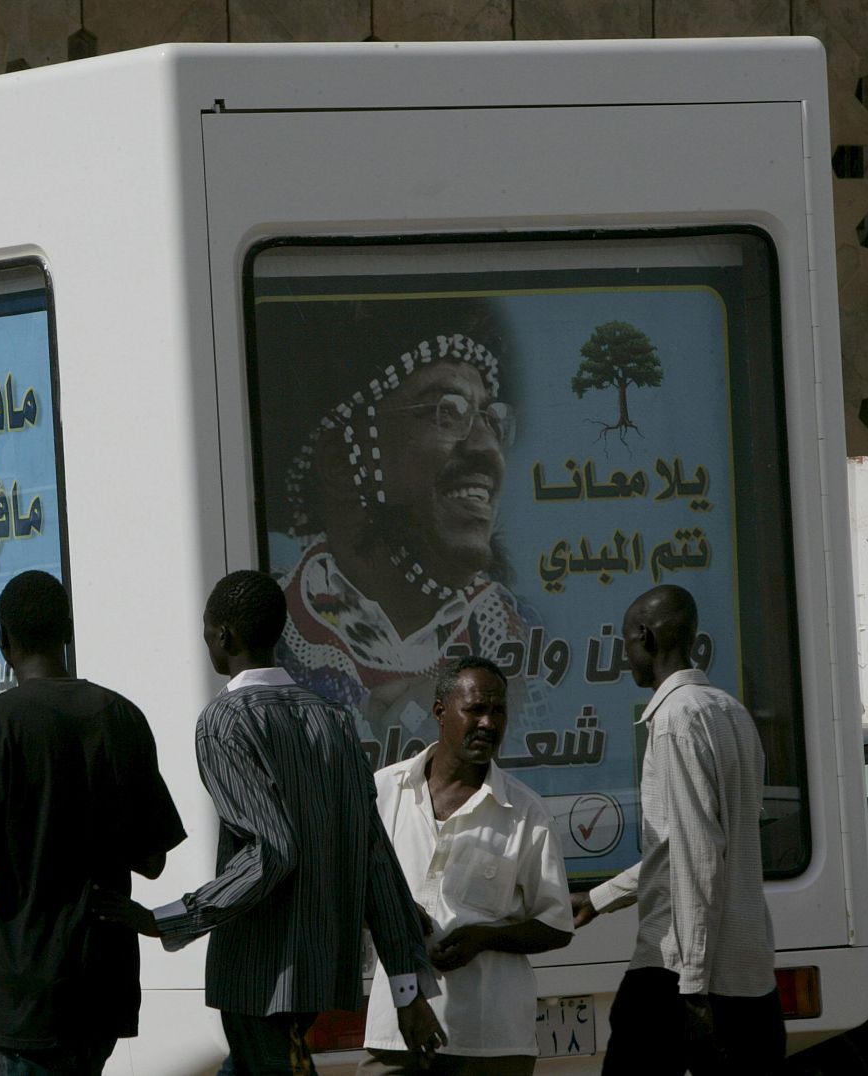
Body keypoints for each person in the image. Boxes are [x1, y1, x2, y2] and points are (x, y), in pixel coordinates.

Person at [96, 570, 444, 1076]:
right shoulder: (333, 718)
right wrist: (407, 988)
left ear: (224, 636)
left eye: (206, 631)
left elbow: (272, 850)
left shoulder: (224, 721)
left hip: (257, 977)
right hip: (316, 976)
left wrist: (170, 918)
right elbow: (374, 858)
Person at [0, 570, 186, 1075]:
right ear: (68, 629)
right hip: (104, 982)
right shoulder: (122, 717)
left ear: (4, 640)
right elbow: (153, 860)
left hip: (28, 990)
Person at [262, 298, 545, 768]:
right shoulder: (275, 635)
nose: (485, 449)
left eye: (492, 421)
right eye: (446, 411)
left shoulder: (519, 639)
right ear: (341, 461)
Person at [571, 585, 782, 1073]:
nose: (627, 659)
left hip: (679, 974)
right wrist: (602, 898)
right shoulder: (731, 712)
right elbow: (690, 848)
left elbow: (698, 858)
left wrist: (692, 991)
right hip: (749, 973)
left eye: (626, 643)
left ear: (645, 636)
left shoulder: (673, 721)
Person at [360, 656, 574, 1074]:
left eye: (498, 712)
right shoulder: (383, 793)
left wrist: (484, 938)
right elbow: (344, 893)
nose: (489, 724)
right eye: (475, 709)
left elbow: (556, 925)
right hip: (396, 1031)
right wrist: (392, 914)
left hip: (490, 1043)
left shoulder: (525, 812)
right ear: (440, 711)